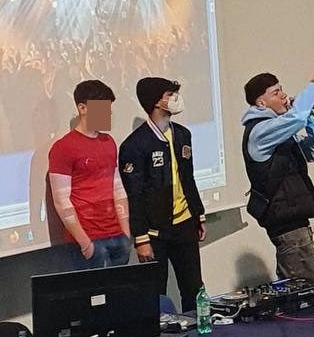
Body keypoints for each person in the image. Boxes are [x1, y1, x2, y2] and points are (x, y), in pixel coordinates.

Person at [241, 48, 314, 283]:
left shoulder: (280, 129)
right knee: (302, 285)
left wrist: (311, 119)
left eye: (282, 89)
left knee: (310, 283)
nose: (284, 96)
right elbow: (296, 118)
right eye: (276, 93)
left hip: (298, 221)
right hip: (285, 225)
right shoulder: (260, 131)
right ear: (261, 102)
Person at [119, 77, 205, 310]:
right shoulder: (134, 146)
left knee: (194, 287)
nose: (176, 98)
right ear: (157, 102)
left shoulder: (183, 134)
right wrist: (141, 238)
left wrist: (198, 214)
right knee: (156, 293)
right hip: (155, 232)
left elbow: (188, 177)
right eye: (170, 94)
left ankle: (199, 327)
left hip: (185, 223)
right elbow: (135, 195)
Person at [47, 79, 131, 269]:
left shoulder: (108, 142)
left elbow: (117, 187)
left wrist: (125, 232)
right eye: (103, 108)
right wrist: (85, 242)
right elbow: (61, 200)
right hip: (90, 239)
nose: (108, 113)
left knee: (121, 285)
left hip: (116, 235)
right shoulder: (63, 147)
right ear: (82, 108)